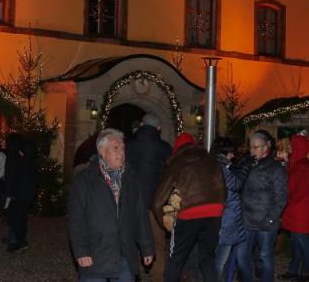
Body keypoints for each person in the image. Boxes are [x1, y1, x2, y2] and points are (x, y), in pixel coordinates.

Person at [68, 128, 154, 281]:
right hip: (95, 254)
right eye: (116, 148)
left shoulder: (131, 179)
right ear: (102, 151)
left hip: (125, 254)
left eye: (122, 148)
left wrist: (147, 247)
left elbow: (141, 216)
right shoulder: (85, 180)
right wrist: (81, 251)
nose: (121, 153)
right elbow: (76, 220)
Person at [151, 133, 225, 282]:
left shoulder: (177, 164)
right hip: (214, 213)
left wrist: (166, 224)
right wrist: (220, 208)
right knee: (207, 259)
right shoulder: (211, 161)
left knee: (175, 259)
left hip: (188, 214)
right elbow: (223, 189)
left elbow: (158, 201)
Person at [126, 113, 172, 281]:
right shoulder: (165, 148)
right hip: (155, 202)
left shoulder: (128, 145)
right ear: (158, 129)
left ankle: (132, 273)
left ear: (142, 124)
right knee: (158, 242)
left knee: (130, 239)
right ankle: (157, 277)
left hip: (131, 202)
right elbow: (170, 175)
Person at [240, 130, 287, 282]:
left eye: (256, 147)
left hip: (266, 222)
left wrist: (271, 219)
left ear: (266, 147)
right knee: (241, 255)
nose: (252, 151)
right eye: (251, 147)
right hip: (246, 220)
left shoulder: (276, 168)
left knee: (265, 257)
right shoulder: (246, 163)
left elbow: (281, 197)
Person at [211, 137, 252, 282]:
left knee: (218, 258)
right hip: (226, 221)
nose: (233, 156)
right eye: (231, 153)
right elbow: (236, 184)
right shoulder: (221, 167)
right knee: (220, 260)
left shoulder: (212, 164)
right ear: (225, 153)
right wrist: (246, 168)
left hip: (219, 218)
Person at [279, 136, 309, 282]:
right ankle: (293, 270)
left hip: (300, 208)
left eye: (293, 146)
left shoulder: (302, 165)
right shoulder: (297, 163)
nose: (290, 148)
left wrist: (285, 197)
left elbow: (296, 188)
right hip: (295, 207)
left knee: (303, 242)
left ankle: (305, 273)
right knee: (296, 242)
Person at [4, 133, 37, 253]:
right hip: (25, 195)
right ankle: (19, 241)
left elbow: (15, 179)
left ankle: (19, 242)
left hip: (19, 195)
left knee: (18, 219)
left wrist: (10, 193)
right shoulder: (28, 161)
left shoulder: (21, 161)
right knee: (20, 218)